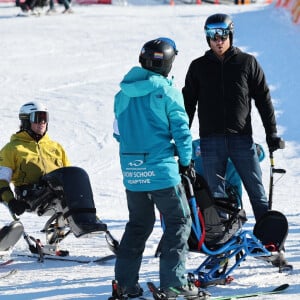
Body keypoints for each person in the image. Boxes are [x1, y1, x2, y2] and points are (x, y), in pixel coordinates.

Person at [111, 38, 201, 299]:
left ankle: (125, 284)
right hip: (161, 171)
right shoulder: (167, 91)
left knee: (138, 225)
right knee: (179, 221)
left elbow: (118, 133)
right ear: (169, 63)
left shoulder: (122, 93)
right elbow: (182, 133)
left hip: (132, 172)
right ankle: (174, 282)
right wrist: (185, 161)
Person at [182, 13, 284, 222]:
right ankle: (224, 244)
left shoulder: (247, 63)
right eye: (212, 35)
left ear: (231, 35)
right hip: (210, 143)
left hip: (241, 140)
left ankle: (269, 240)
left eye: (223, 35)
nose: (218, 41)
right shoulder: (198, 67)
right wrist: (181, 139)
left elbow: (264, 100)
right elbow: (187, 106)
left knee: (257, 192)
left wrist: (271, 133)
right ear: (207, 37)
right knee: (217, 197)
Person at [0, 101, 107, 245]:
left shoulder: (55, 147)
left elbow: (69, 176)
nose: (42, 122)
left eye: (45, 118)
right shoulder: (13, 148)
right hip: (30, 197)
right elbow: (2, 180)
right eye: (37, 118)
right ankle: (79, 226)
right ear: (25, 121)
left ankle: (88, 222)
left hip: (55, 192)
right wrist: (11, 201)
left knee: (77, 174)